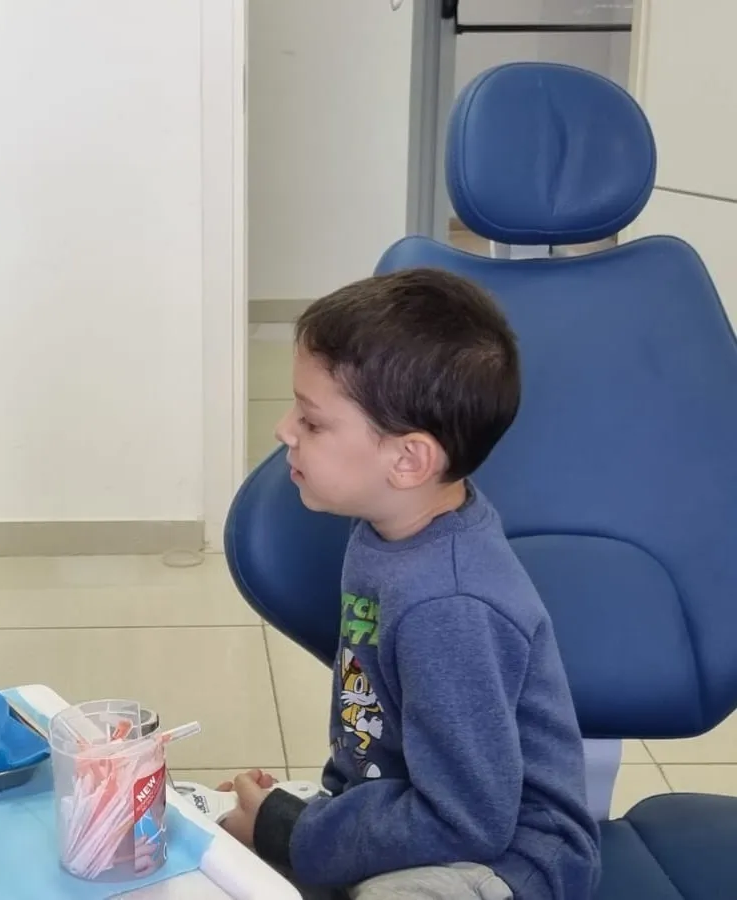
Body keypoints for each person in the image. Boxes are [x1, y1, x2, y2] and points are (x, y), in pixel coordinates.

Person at [217, 270, 601, 899]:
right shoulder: (389, 529)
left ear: (407, 460)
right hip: (417, 811)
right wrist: (295, 820)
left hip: (511, 856)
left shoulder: (449, 605)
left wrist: (290, 831)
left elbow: (468, 821)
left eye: (311, 421)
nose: (284, 428)